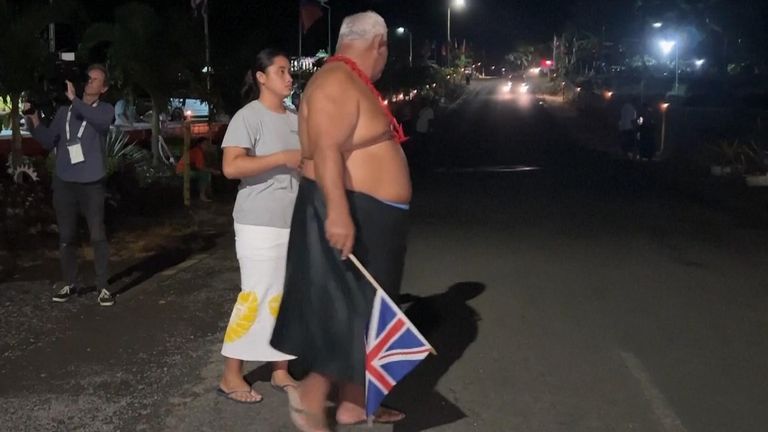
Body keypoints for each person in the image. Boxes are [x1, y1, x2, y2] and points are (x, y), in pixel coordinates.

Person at [270, 11, 410, 431]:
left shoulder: (348, 80)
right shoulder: (335, 80)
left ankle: (355, 403)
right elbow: (327, 151)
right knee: (349, 311)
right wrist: (338, 213)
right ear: (378, 43)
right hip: (353, 210)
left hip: (372, 214)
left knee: (368, 312)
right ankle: (312, 396)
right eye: (386, 49)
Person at [217, 49, 302, 404]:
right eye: (280, 71)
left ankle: (279, 368)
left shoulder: (296, 117)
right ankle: (230, 374)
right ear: (261, 77)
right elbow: (231, 167)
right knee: (255, 296)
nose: (288, 77)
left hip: (293, 220)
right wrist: (282, 159)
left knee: (287, 297)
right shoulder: (247, 117)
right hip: (258, 222)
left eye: (289, 71)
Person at [25, 64, 116, 306]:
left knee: (97, 235)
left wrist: (75, 99)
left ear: (103, 88)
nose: (90, 81)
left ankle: (103, 287)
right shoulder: (65, 112)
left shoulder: (105, 110)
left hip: (91, 183)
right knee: (66, 237)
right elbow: (47, 140)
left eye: (96, 80)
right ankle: (70, 282)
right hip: (65, 182)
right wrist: (33, 118)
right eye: (88, 77)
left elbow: (96, 120)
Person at [175, 136, 220, 202]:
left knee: (206, 173)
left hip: (186, 170)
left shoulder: (199, 151)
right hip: (182, 171)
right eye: (205, 144)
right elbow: (200, 167)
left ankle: (208, 192)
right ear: (199, 144)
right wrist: (213, 171)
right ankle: (202, 195)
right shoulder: (198, 152)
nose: (207, 146)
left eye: (208, 144)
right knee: (205, 174)